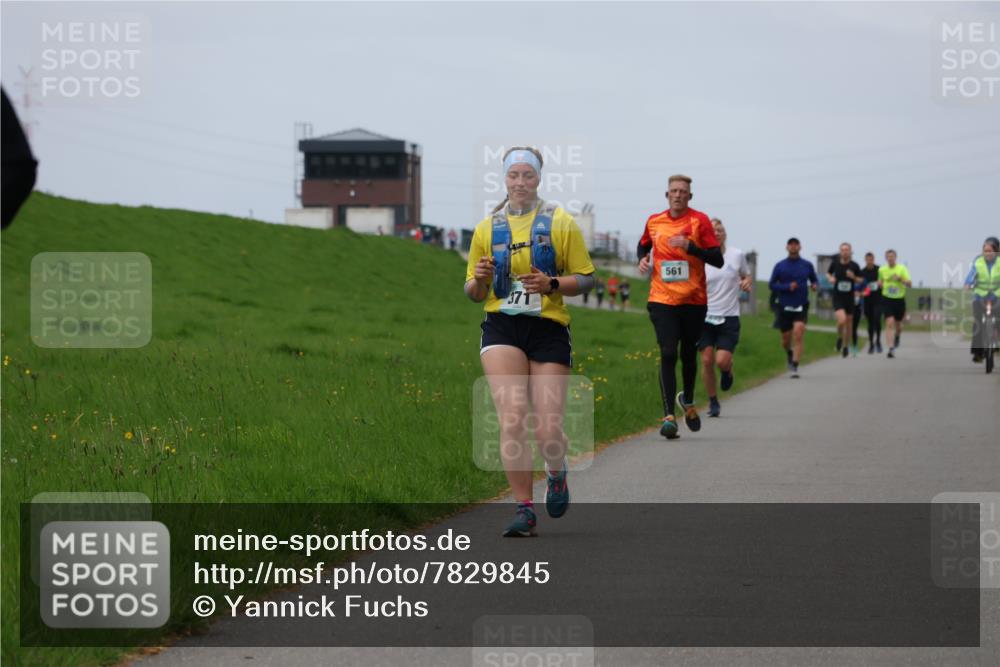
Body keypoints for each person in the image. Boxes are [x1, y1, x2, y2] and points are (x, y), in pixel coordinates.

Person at [465, 146, 595, 537]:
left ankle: (556, 471)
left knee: (548, 428)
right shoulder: (487, 228)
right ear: (504, 179)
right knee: (512, 416)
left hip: (548, 328)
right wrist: (483, 278)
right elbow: (472, 292)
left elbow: (587, 279)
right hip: (502, 326)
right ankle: (523, 508)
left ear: (539, 179)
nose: (520, 183)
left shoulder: (561, 223)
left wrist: (551, 283)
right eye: (513, 176)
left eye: (528, 176)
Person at [637, 174, 723, 439]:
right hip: (662, 299)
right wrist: (642, 260)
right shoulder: (654, 221)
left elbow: (717, 259)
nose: (678, 195)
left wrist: (691, 247)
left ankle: (687, 399)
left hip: (694, 301)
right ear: (667, 195)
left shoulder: (701, 221)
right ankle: (668, 416)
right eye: (673, 191)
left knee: (688, 353)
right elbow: (642, 246)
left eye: (683, 192)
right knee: (668, 352)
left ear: (689, 196)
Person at [699, 218, 751, 417]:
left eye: (720, 230)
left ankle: (727, 371)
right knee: (706, 360)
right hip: (704, 316)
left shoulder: (736, 255)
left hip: (728, 316)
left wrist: (746, 282)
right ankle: (713, 402)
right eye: (713, 230)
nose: (717, 233)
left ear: (725, 234)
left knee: (721, 361)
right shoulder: (700, 257)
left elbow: (746, 275)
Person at [769, 238, 819, 378]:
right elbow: (771, 285)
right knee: (785, 339)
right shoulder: (780, 266)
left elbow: (814, 279)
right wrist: (787, 287)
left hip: (801, 304)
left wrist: (815, 285)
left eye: (796, 244)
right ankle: (789, 353)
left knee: (798, 333)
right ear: (787, 247)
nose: (793, 247)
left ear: (800, 247)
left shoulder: (807, 265)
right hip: (784, 305)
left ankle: (795, 366)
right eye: (791, 245)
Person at [964, 236, 1000, 363]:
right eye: (985, 250)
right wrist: (968, 283)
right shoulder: (978, 262)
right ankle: (978, 352)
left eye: (990, 250)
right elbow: (971, 274)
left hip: (997, 295)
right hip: (981, 296)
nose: (988, 253)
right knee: (978, 322)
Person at [826, 242, 863, 358]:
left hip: (849, 298)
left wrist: (854, 277)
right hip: (838, 297)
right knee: (842, 321)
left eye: (847, 250)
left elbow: (861, 280)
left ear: (850, 252)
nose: (845, 252)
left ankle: (846, 346)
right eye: (842, 250)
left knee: (849, 325)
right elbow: (828, 273)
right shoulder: (835, 263)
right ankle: (839, 338)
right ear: (840, 252)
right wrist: (831, 278)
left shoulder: (855, 266)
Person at [877, 249, 911, 359]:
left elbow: (909, 284)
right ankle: (891, 348)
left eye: (892, 256)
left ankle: (897, 335)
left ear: (895, 257)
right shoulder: (882, 269)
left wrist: (900, 279)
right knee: (889, 322)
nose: (890, 258)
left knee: (898, 324)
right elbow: (880, 281)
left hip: (899, 299)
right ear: (886, 258)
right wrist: (880, 284)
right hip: (887, 298)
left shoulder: (902, 268)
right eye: (888, 256)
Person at [859, 252, 883, 354]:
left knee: (877, 319)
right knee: (870, 323)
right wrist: (862, 292)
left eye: (871, 259)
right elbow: (860, 286)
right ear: (865, 260)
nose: (870, 261)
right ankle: (871, 344)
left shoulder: (879, 270)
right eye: (868, 259)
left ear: (873, 259)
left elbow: (884, 280)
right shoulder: (862, 272)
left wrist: (881, 283)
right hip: (868, 300)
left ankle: (878, 340)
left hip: (878, 299)